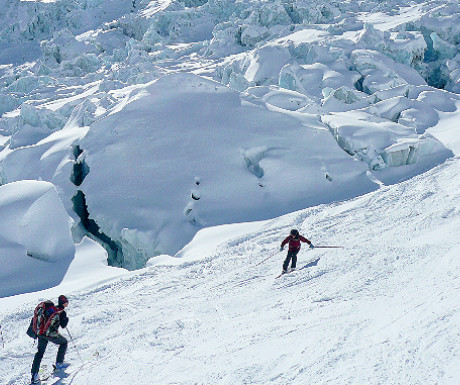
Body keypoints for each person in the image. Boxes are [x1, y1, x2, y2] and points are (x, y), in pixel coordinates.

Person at [31, 295, 70, 384]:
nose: (67, 304)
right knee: (64, 342)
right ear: (63, 303)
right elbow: (63, 326)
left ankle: (34, 375)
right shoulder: (61, 312)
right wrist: (66, 319)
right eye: (66, 302)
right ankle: (59, 364)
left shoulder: (51, 309)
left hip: (41, 333)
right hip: (49, 334)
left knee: (40, 352)